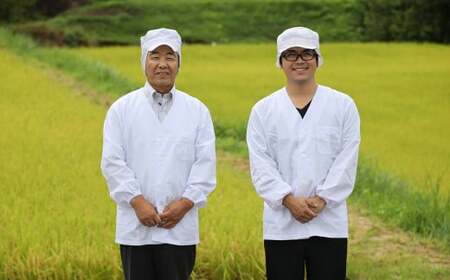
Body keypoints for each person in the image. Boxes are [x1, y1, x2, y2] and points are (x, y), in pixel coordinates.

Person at [101, 28, 216, 280]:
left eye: (170, 56)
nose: (162, 64)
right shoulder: (122, 109)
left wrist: (185, 203)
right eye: (155, 56)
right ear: (144, 60)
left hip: (180, 227)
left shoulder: (197, 111)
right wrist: (137, 202)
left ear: (179, 63)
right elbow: (112, 162)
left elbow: (205, 164)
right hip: (135, 226)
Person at [246, 27, 360, 280]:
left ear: (318, 59)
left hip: (329, 221)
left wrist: (322, 199)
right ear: (280, 62)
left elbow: (347, 157)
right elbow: (260, 162)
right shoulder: (263, 110)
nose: (299, 60)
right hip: (282, 224)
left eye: (307, 53)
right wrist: (288, 199)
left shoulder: (342, 105)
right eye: (291, 54)